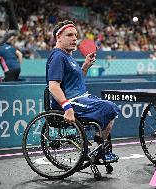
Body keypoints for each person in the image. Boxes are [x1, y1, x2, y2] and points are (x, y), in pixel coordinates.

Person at [46, 20, 120, 163]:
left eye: (75, 35)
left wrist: (85, 66)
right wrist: (66, 107)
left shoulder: (68, 56)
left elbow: (74, 82)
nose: (74, 38)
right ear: (58, 37)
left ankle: (100, 150)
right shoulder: (57, 57)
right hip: (71, 102)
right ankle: (100, 151)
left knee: (111, 112)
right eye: (69, 35)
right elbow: (53, 86)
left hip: (81, 98)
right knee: (109, 107)